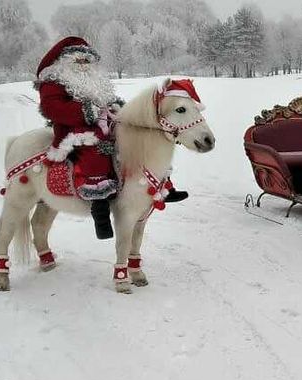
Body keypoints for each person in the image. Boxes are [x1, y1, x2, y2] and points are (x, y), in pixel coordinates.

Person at [35, 37, 188, 240]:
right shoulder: (54, 81)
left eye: (87, 61)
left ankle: (164, 186)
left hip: (106, 123)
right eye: (78, 61)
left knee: (141, 142)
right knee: (95, 153)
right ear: (64, 62)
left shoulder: (96, 82)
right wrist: (86, 110)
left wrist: (119, 108)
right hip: (74, 130)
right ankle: (100, 207)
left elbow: (107, 102)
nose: (83, 65)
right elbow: (51, 108)